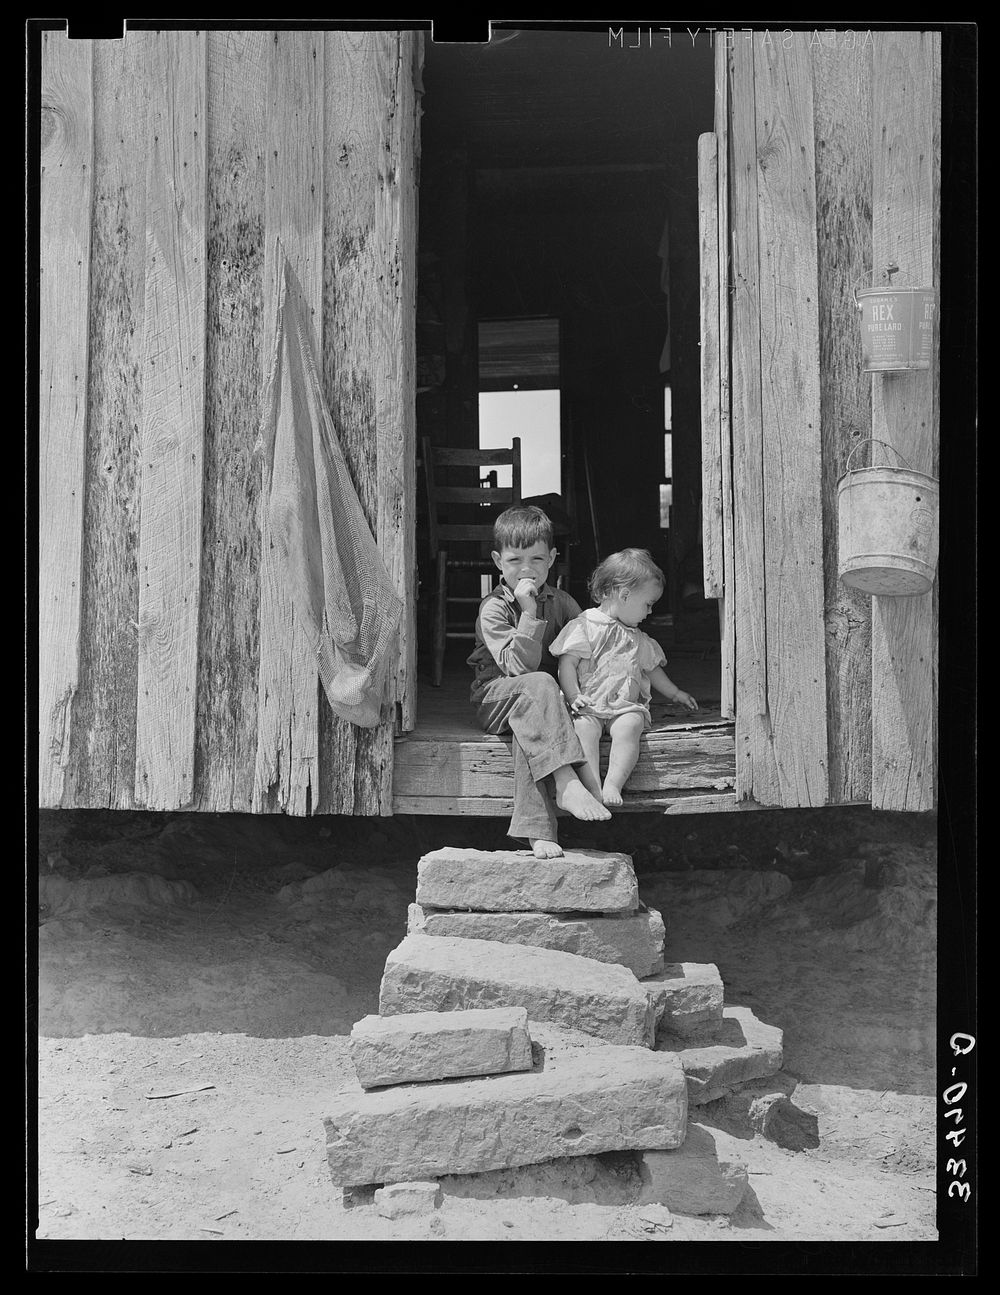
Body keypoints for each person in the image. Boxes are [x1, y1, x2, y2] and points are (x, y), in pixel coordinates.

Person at [468, 505, 611, 859]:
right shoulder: (494, 608)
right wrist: (529, 613)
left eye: (537, 559)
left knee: (528, 732)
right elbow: (517, 668)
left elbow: (589, 649)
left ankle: (538, 831)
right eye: (516, 560)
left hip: (539, 703)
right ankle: (567, 781)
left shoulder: (563, 603)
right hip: (494, 697)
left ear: (552, 559)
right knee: (540, 682)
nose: (527, 569)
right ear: (498, 561)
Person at [549, 548, 699, 807]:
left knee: (631, 725)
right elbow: (567, 663)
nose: (650, 612)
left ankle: (613, 784)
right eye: (648, 604)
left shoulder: (638, 638)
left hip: (623, 707)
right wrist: (573, 695)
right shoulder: (585, 625)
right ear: (625, 594)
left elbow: (652, 669)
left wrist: (675, 693)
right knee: (583, 729)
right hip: (589, 705)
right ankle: (593, 785)